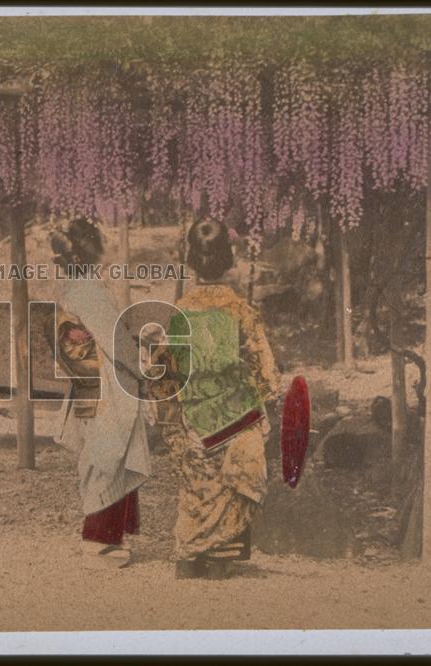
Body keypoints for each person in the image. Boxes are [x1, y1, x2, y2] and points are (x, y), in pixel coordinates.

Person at [146, 218, 282, 579]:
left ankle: (189, 556)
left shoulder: (178, 314)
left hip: (191, 422)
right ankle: (221, 556)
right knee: (238, 465)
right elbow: (267, 374)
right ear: (229, 261)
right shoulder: (240, 311)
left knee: (196, 484)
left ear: (191, 261)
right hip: (234, 421)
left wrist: (173, 419)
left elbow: (162, 376)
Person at [49, 217, 152, 569]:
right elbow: (115, 342)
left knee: (104, 454)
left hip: (91, 380)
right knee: (108, 455)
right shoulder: (88, 291)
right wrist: (141, 369)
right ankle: (97, 540)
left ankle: (107, 536)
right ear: (93, 252)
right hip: (105, 382)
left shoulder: (77, 287)